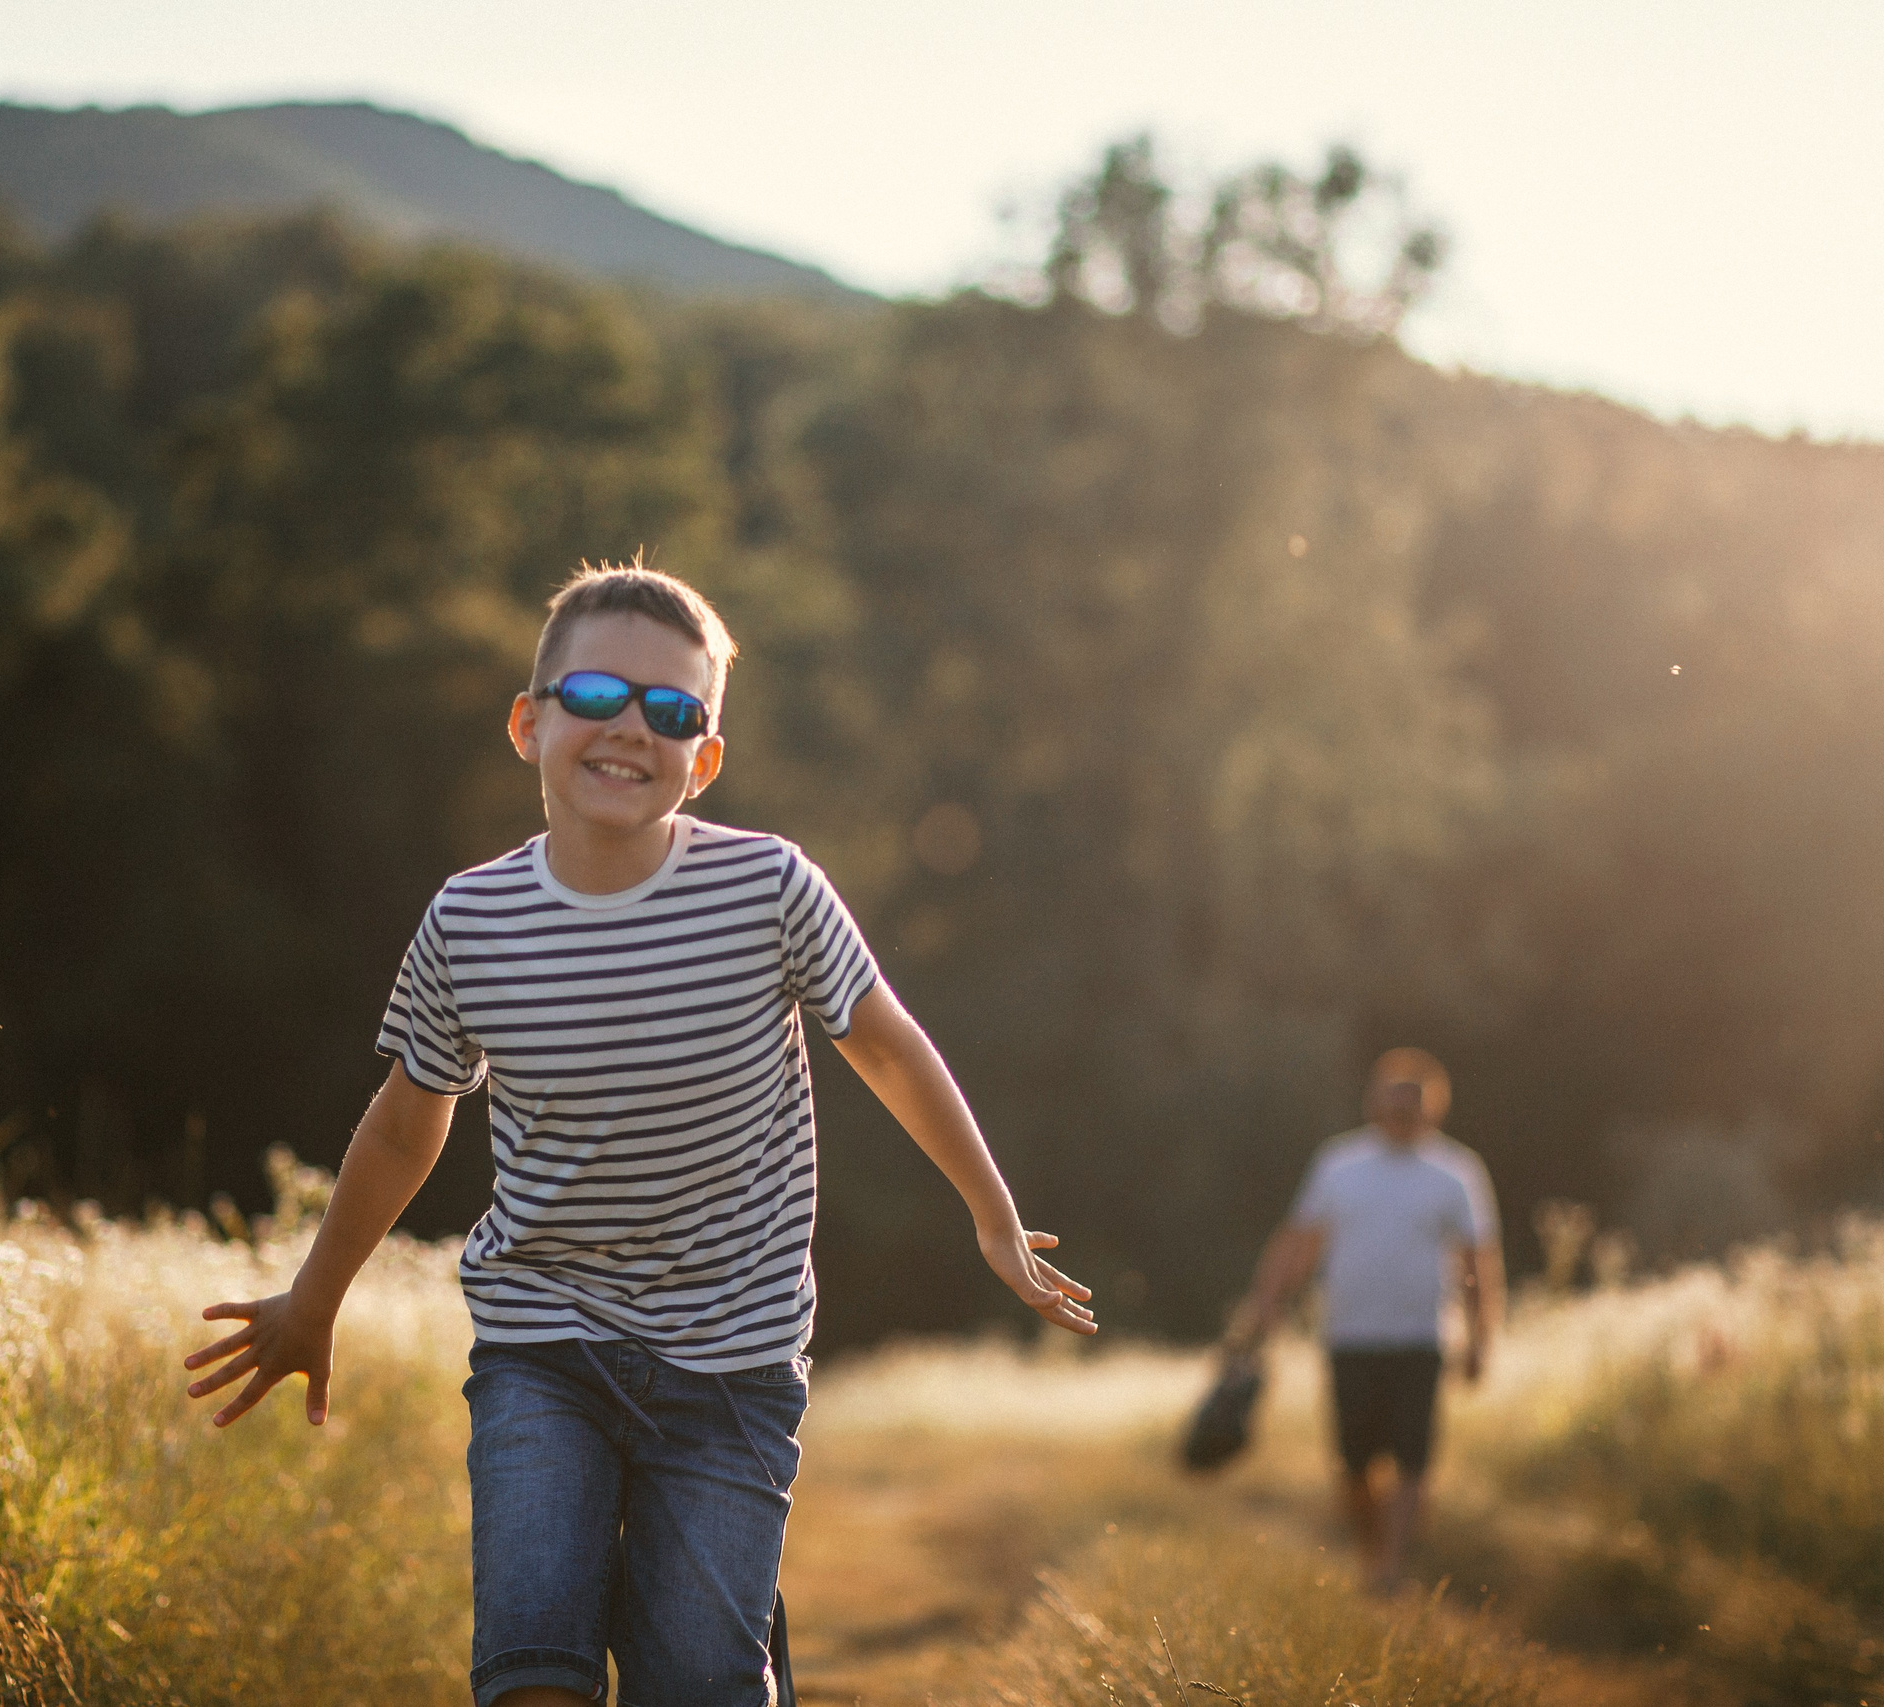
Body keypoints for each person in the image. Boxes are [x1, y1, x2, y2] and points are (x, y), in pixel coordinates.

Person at [183, 562, 1097, 1707]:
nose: (631, 729)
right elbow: (407, 1123)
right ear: (529, 723)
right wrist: (314, 1296)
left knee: (698, 1683)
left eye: (673, 712)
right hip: (540, 1349)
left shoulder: (767, 888)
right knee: (530, 1675)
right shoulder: (469, 921)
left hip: (731, 1362)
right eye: (595, 696)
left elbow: (887, 1044)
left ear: (703, 757)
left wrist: (993, 1216)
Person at [1224, 1047, 1503, 1595]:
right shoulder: (1339, 1166)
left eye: (1415, 1106)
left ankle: (1389, 1570)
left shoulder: (1457, 1174)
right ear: (1375, 1105)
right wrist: (1267, 1303)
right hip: (1348, 1336)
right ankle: (1374, 1553)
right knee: (1353, 1464)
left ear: (1434, 1109)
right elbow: (1300, 1242)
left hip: (1421, 1339)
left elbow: (1478, 1263)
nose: (1403, 1115)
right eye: (1394, 1104)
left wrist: (1480, 1339)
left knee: (1413, 1462)